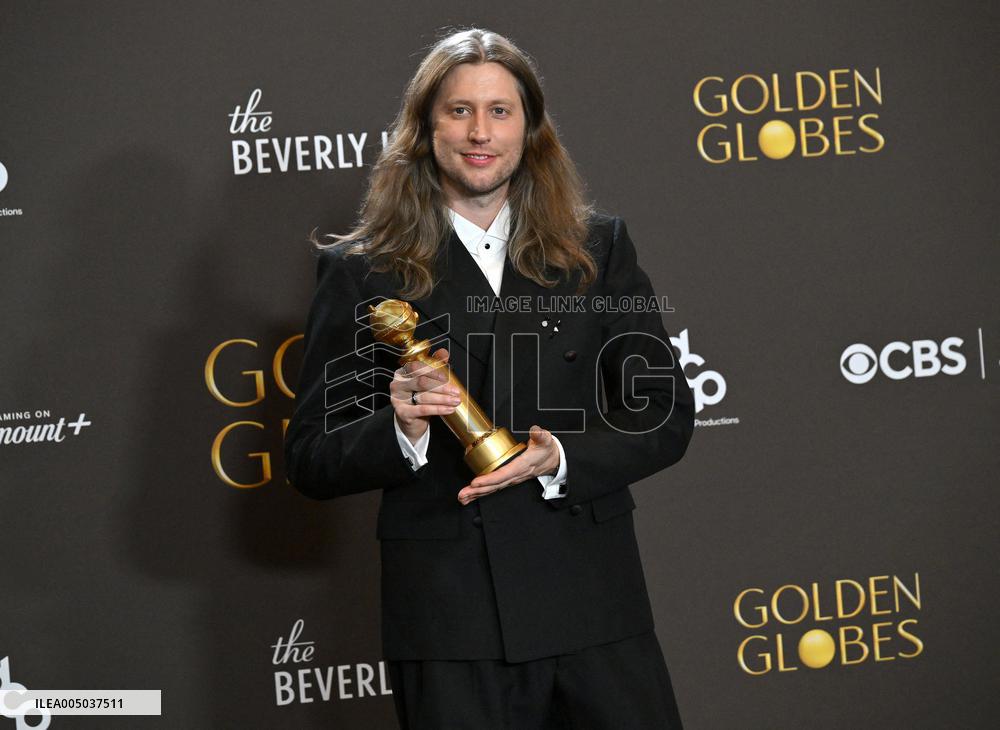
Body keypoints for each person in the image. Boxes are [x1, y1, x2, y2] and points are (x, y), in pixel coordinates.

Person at [284, 28, 695, 730]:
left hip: (592, 602)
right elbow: (312, 458)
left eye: (500, 111)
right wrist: (403, 430)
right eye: (459, 111)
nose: (481, 132)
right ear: (423, 127)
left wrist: (560, 455)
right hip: (451, 621)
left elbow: (663, 411)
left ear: (531, 129)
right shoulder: (361, 270)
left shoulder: (598, 248)